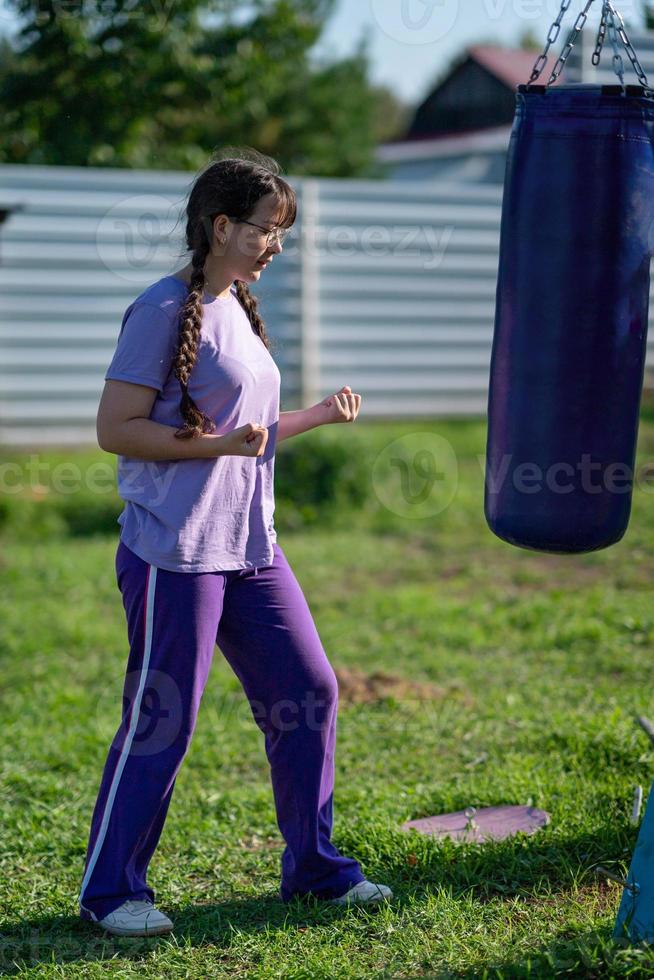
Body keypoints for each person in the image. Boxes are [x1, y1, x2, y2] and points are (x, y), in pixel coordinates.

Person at [77, 150, 392, 937]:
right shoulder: (160, 308)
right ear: (222, 227)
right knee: (164, 717)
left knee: (310, 691)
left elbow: (243, 436)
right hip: (174, 553)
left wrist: (315, 416)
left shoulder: (239, 311)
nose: (276, 245)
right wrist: (213, 449)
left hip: (251, 548)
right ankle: (111, 892)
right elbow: (116, 430)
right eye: (266, 229)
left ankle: (314, 870)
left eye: (282, 231)